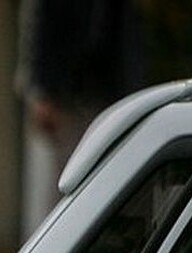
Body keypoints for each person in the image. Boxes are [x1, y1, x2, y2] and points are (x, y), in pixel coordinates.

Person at [18, 0, 146, 233]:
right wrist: (44, 93)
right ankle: (60, 237)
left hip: (106, 93)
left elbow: (126, 39)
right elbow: (43, 34)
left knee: (106, 173)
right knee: (69, 176)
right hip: (70, 95)